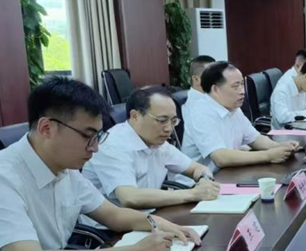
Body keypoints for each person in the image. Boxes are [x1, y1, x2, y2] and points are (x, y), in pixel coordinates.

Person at [0, 78, 200, 251]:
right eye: (87, 136)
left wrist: (158, 224)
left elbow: (113, 215)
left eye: (97, 136)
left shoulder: (64, 168)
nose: (95, 148)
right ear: (47, 128)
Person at [83, 86, 220, 210]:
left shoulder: (158, 143)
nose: (169, 129)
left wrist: (204, 180)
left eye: (173, 121)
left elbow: (196, 168)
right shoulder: (113, 145)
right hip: (111, 227)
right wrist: (193, 194)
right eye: (162, 120)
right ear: (135, 116)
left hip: (149, 216)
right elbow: (130, 198)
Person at [182, 61, 298, 171]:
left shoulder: (233, 107)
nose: (242, 91)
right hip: (200, 182)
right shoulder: (201, 112)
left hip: (228, 173)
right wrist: (269, 156)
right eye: (235, 86)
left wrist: (279, 147)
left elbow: (255, 139)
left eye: (242, 84)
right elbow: (221, 157)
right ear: (215, 89)